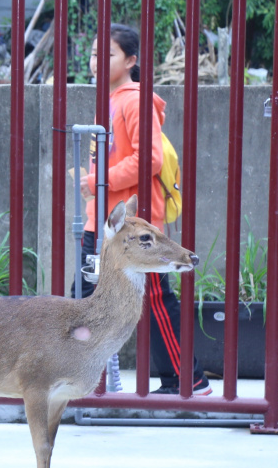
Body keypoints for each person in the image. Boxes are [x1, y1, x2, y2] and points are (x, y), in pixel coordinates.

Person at [73, 23, 209, 396]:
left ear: (131, 60)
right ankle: (85, 381)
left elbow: (147, 159)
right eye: (94, 52)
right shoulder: (112, 99)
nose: (97, 60)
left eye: (108, 54)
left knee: (154, 302)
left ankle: (187, 380)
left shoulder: (134, 99)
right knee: (86, 298)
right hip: (106, 220)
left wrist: (100, 182)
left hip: (132, 228)